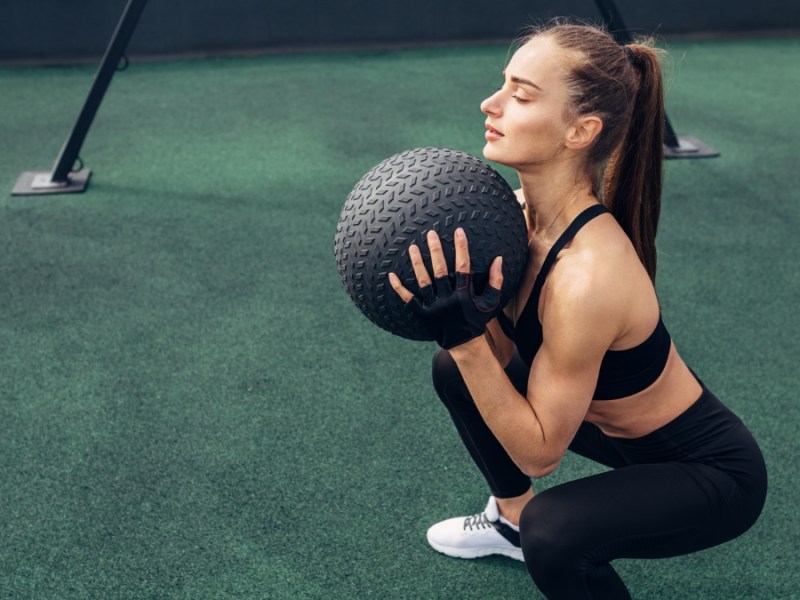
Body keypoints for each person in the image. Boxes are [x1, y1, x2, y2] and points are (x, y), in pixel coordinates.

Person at [387, 20, 767, 599]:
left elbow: (540, 452)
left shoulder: (589, 276)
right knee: (454, 370)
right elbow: (505, 358)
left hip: (707, 472)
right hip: (610, 431)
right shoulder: (510, 220)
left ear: (580, 131)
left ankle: (528, 528)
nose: (490, 104)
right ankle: (507, 523)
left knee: (556, 531)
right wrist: (466, 322)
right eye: (502, 85)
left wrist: (466, 339)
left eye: (520, 95)